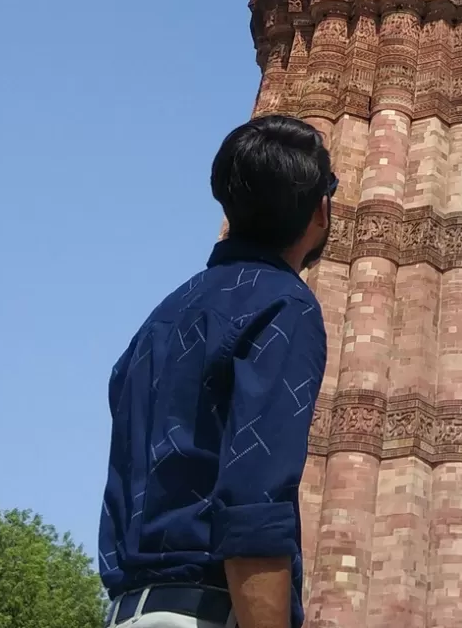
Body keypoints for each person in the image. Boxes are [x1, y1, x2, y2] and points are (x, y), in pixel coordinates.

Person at [98, 115, 335, 628]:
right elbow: (255, 502)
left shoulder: (163, 317)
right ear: (320, 209)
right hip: (208, 610)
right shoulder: (284, 306)